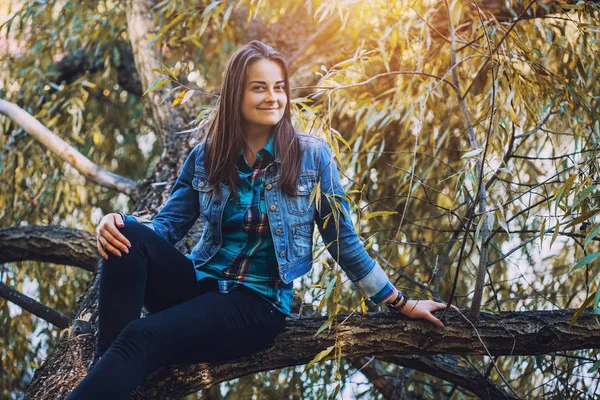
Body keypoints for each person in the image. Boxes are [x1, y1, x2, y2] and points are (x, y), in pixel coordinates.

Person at [67, 40, 447, 399]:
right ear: (236, 94)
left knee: (141, 336)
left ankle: (115, 365)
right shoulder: (206, 155)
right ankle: (109, 365)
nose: (273, 97)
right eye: (259, 88)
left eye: (279, 87)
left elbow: (342, 241)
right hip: (199, 288)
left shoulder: (312, 157)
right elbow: (166, 228)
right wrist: (116, 221)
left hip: (255, 306)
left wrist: (400, 302)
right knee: (125, 232)